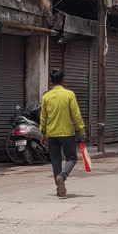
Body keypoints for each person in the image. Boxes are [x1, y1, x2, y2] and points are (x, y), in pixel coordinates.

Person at [39, 68, 86, 198]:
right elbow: (76, 115)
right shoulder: (69, 94)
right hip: (67, 133)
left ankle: (59, 188)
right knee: (72, 158)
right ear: (62, 80)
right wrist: (81, 130)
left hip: (51, 134)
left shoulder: (46, 96)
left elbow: (43, 117)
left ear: (51, 81)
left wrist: (42, 133)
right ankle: (62, 176)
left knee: (55, 160)